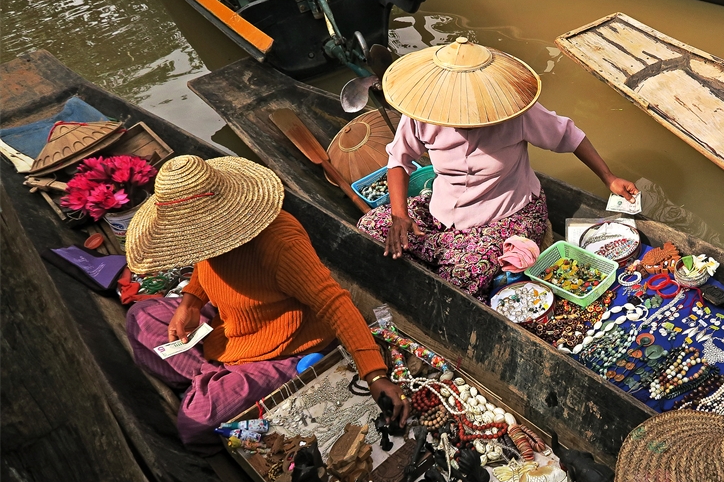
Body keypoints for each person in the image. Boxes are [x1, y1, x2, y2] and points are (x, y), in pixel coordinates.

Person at [124, 155, 408, 453]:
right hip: (233, 326)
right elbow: (206, 264)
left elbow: (335, 304)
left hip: (285, 348)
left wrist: (375, 374)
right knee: (140, 317)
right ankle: (216, 381)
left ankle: (215, 384)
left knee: (195, 422)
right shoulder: (206, 239)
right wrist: (190, 303)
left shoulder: (279, 243)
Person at [357, 38, 636, 300]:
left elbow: (568, 135)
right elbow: (398, 160)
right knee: (371, 225)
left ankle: (448, 260)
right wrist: (400, 216)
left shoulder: (515, 112)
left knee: (462, 274)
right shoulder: (424, 114)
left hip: (505, 214)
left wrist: (609, 177)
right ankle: (441, 253)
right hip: (443, 211)